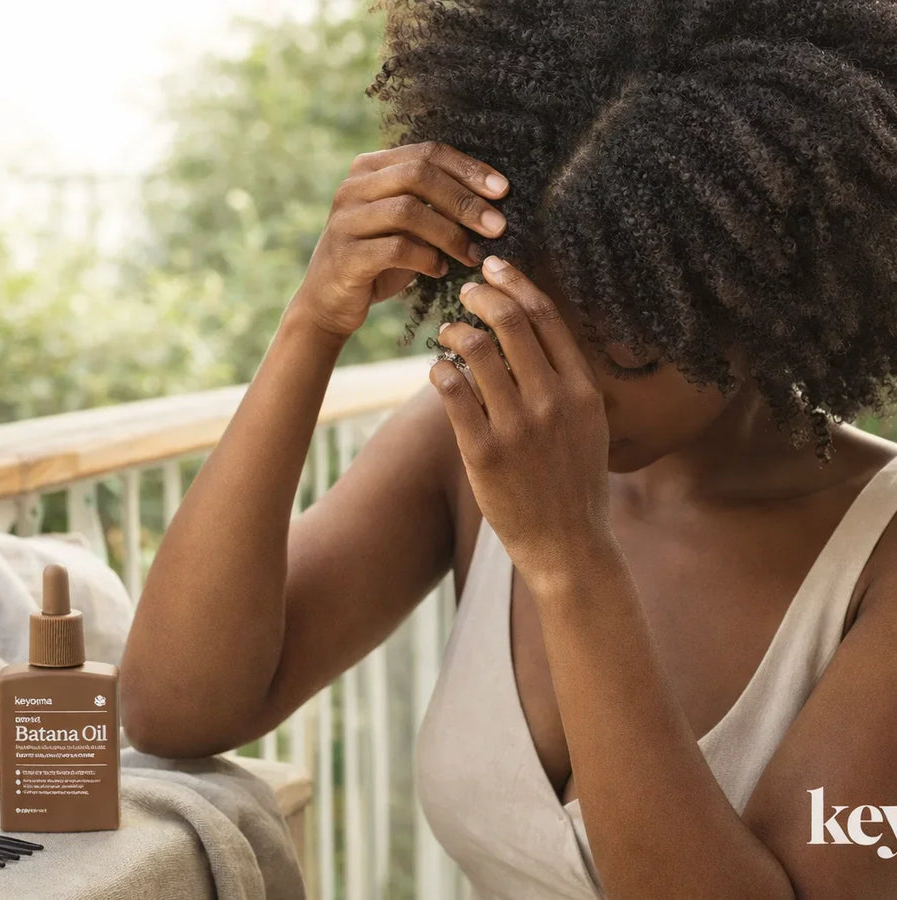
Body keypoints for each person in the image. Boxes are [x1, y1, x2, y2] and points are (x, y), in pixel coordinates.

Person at [121, 0, 897, 896]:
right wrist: (313, 323)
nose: (560, 397)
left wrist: (570, 560)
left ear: (767, 302)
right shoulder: (466, 449)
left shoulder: (876, 559)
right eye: (523, 325)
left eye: (628, 355)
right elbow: (176, 708)